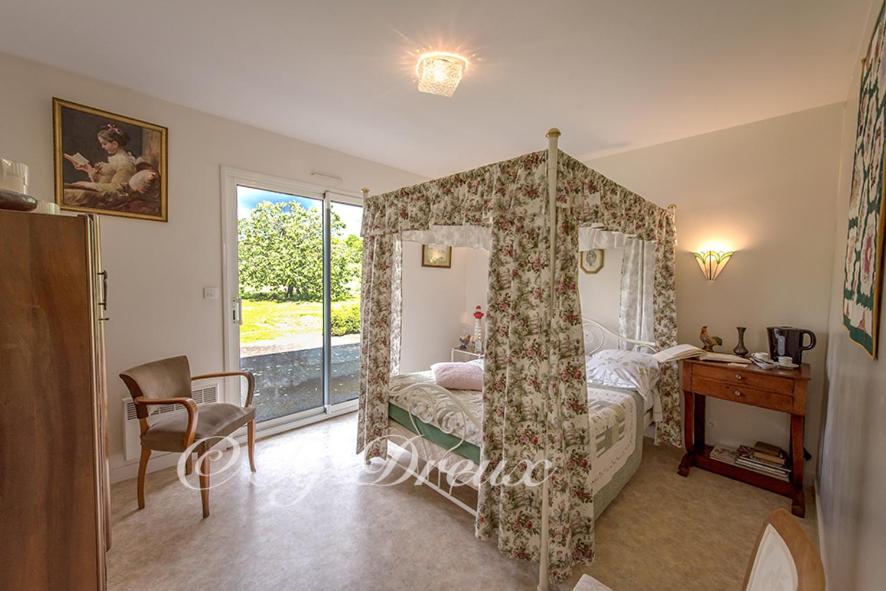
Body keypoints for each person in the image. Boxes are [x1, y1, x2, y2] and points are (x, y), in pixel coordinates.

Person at [63, 123, 138, 205]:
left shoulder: (125, 162)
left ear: (115, 144)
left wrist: (86, 185)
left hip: (110, 199)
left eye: (104, 144)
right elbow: (106, 180)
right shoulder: (116, 158)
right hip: (101, 192)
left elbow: (117, 189)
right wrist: (88, 169)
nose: (102, 147)